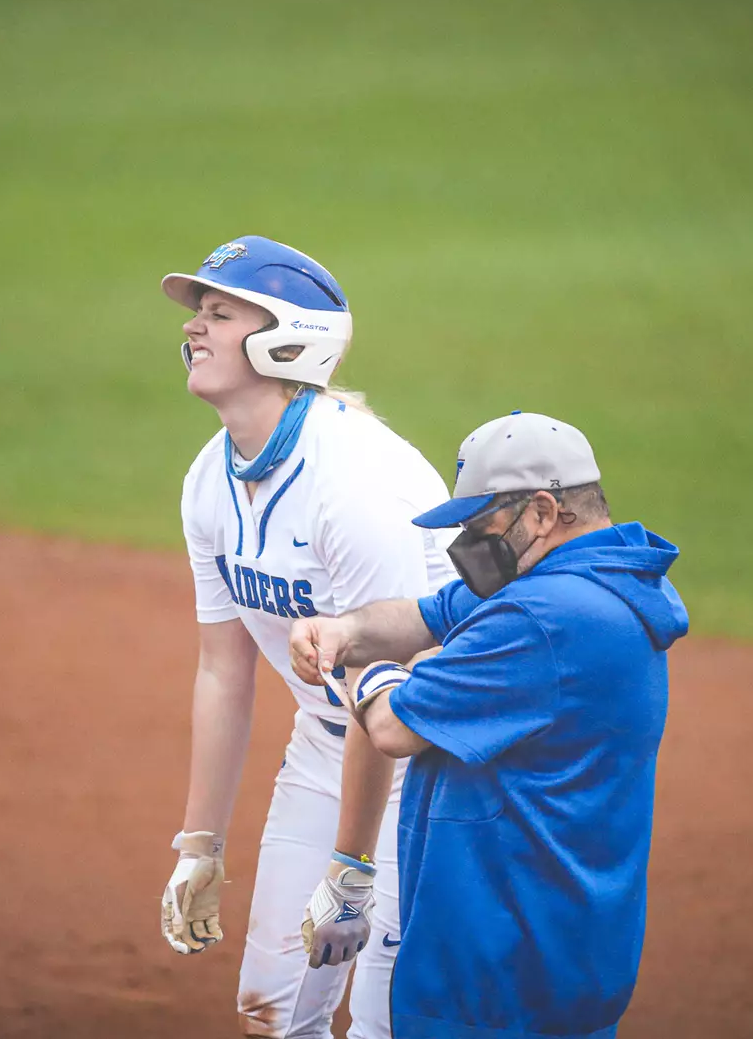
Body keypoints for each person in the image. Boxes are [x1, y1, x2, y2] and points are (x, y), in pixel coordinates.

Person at [289, 411, 690, 1039]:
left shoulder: (543, 618)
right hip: (567, 949)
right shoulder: (593, 582)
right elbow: (427, 615)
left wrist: (369, 674)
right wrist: (348, 632)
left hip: (498, 972)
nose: (468, 543)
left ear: (540, 511)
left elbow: (392, 726)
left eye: (482, 524)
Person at [158, 235, 457, 1039]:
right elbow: (224, 672)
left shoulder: (355, 486)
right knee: (272, 1013)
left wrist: (352, 868)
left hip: (431, 768)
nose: (193, 329)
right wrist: (201, 846)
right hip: (327, 748)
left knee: (383, 1025)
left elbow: (384, 696)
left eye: (219, 314)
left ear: (287, 338)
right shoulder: (207, 481)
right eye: (198, 315)